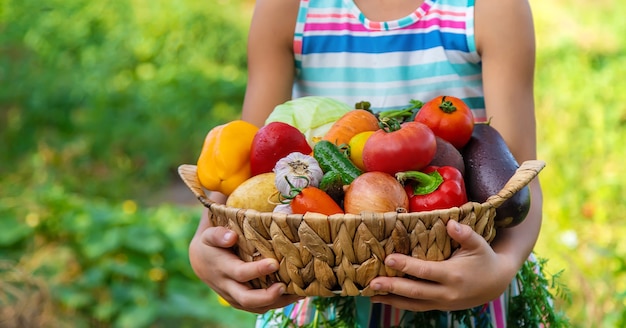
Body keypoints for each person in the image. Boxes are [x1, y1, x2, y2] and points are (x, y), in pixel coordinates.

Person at [189, 0, 542, 326]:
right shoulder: (288, 7)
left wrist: (501, 269)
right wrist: (204, 243)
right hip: (316, 287)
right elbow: (246, 165)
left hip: (467, 290)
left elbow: (520, 185)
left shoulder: (492, 8)